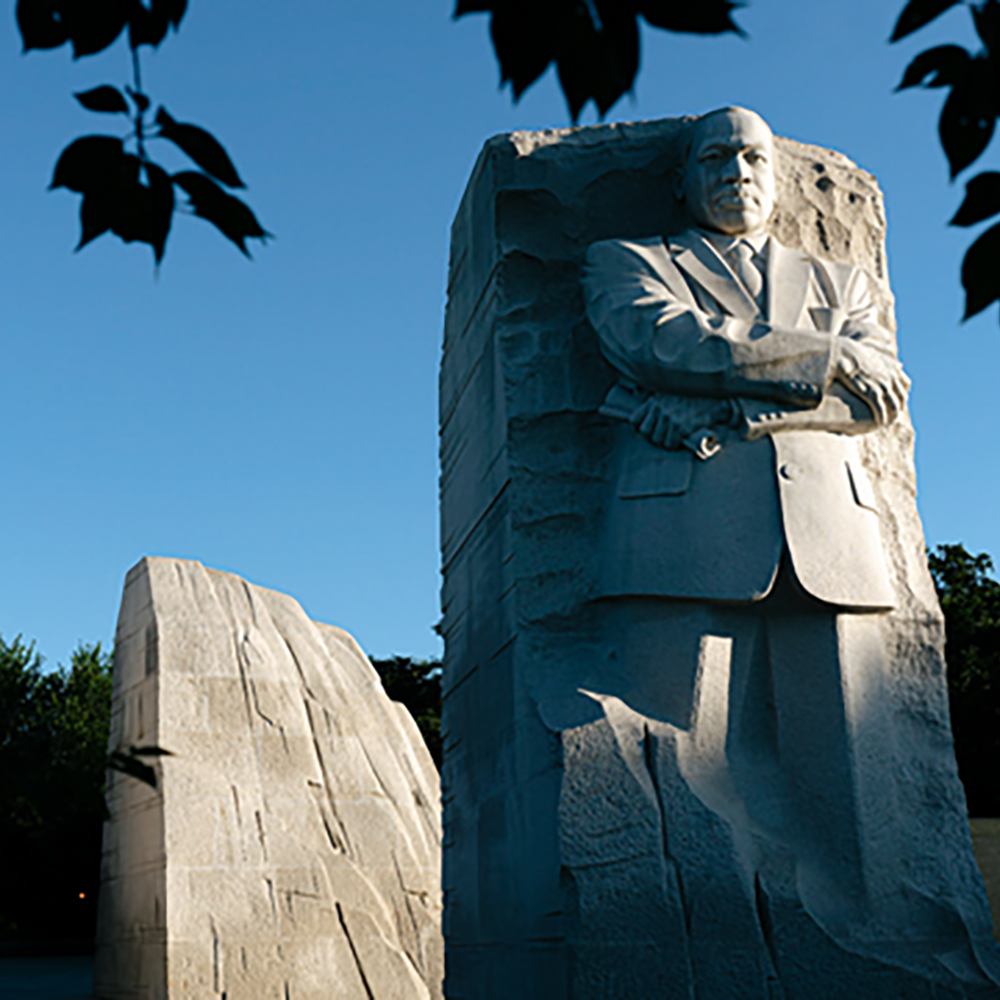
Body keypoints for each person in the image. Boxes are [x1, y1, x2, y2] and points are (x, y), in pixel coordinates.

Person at [581, 106, 999, 988]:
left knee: (849, 771)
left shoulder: (843, 281)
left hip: (829, 531)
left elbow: (875, 402)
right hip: (683, 530)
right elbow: (659, 342)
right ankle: (700, 945)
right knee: (679, 758)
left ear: (775, 177)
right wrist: (824, 357)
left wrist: (727, 406)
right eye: (717, 156)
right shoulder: (631, 262)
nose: (736, 170)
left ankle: (879, 940)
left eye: (752, 156)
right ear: (686, 178)